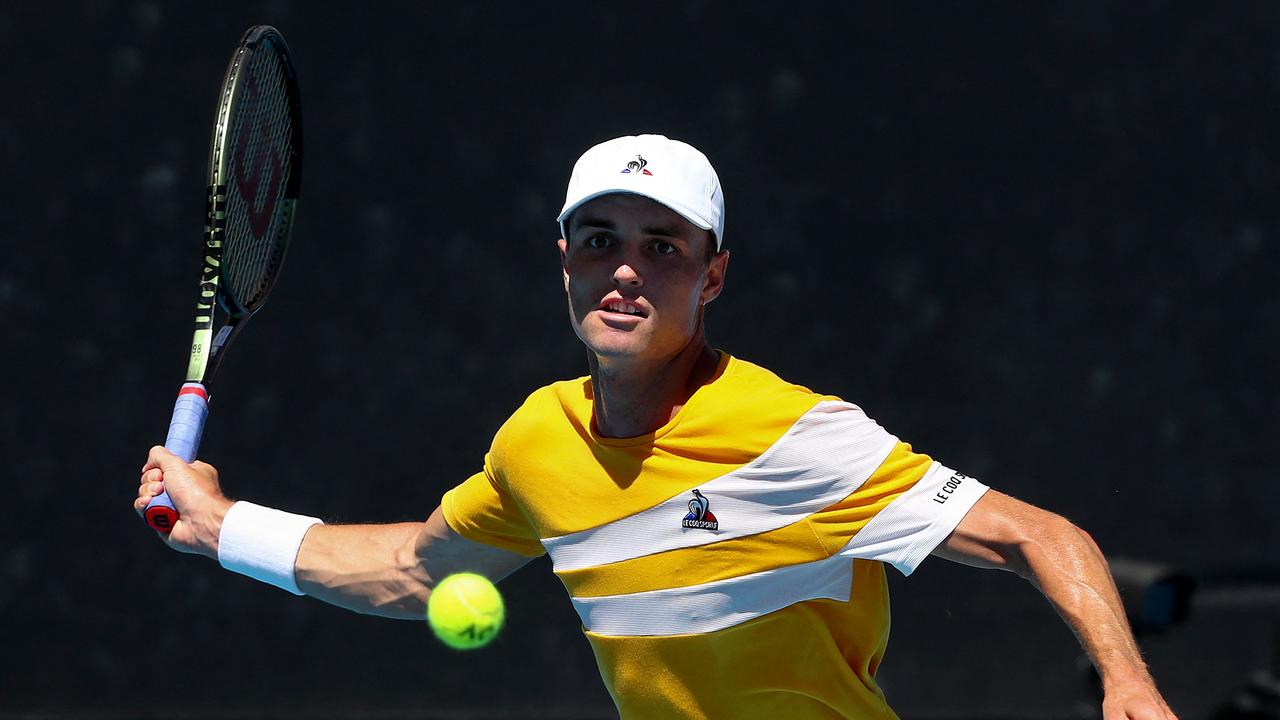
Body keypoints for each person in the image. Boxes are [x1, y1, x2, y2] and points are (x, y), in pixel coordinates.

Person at [136, 134, 1178, 719]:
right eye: (598, 241)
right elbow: (413, 568)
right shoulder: (537, 440)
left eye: (661, 247)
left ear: (711, 275)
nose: (624, 269)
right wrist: (222, 526)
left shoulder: (795, 437)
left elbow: (1037, 535)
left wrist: (1126, 682)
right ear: (564, 260)